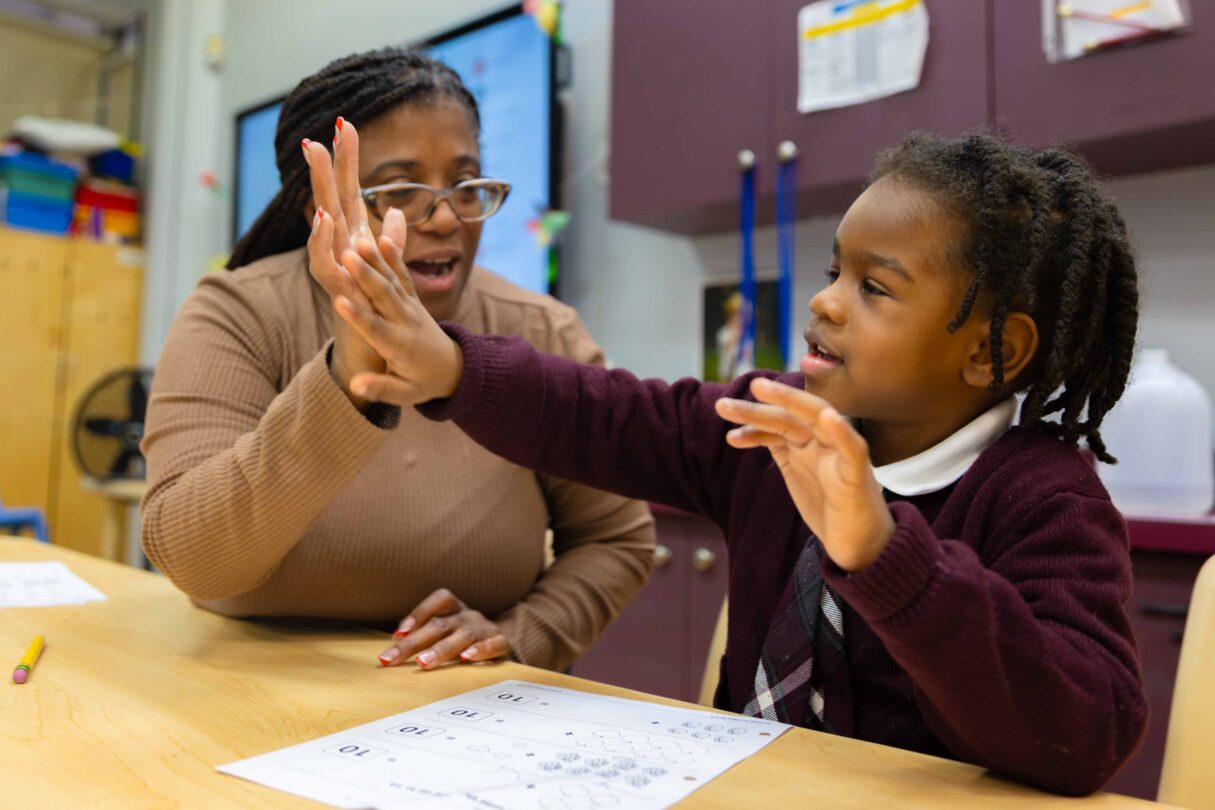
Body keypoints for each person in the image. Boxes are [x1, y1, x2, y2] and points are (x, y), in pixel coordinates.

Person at [321, 129, 1149, 795]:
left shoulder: (1046, 498)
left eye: (875, 287)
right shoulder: (775, 421)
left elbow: (1084, 733)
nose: (824, 300)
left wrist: (888, 559)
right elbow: (608, 415)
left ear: (991, 351)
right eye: (835, 271)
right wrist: (455, 370)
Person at [140, 47, 655, 673]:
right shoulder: (237, 312)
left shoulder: (542, 329)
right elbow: (191, 558)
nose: (444, 218)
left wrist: (517, 636)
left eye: (466, 186)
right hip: (249, 687)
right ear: (319, 207)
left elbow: (616, 538)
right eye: (402, 192)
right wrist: (344, 386)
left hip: (464, 706)